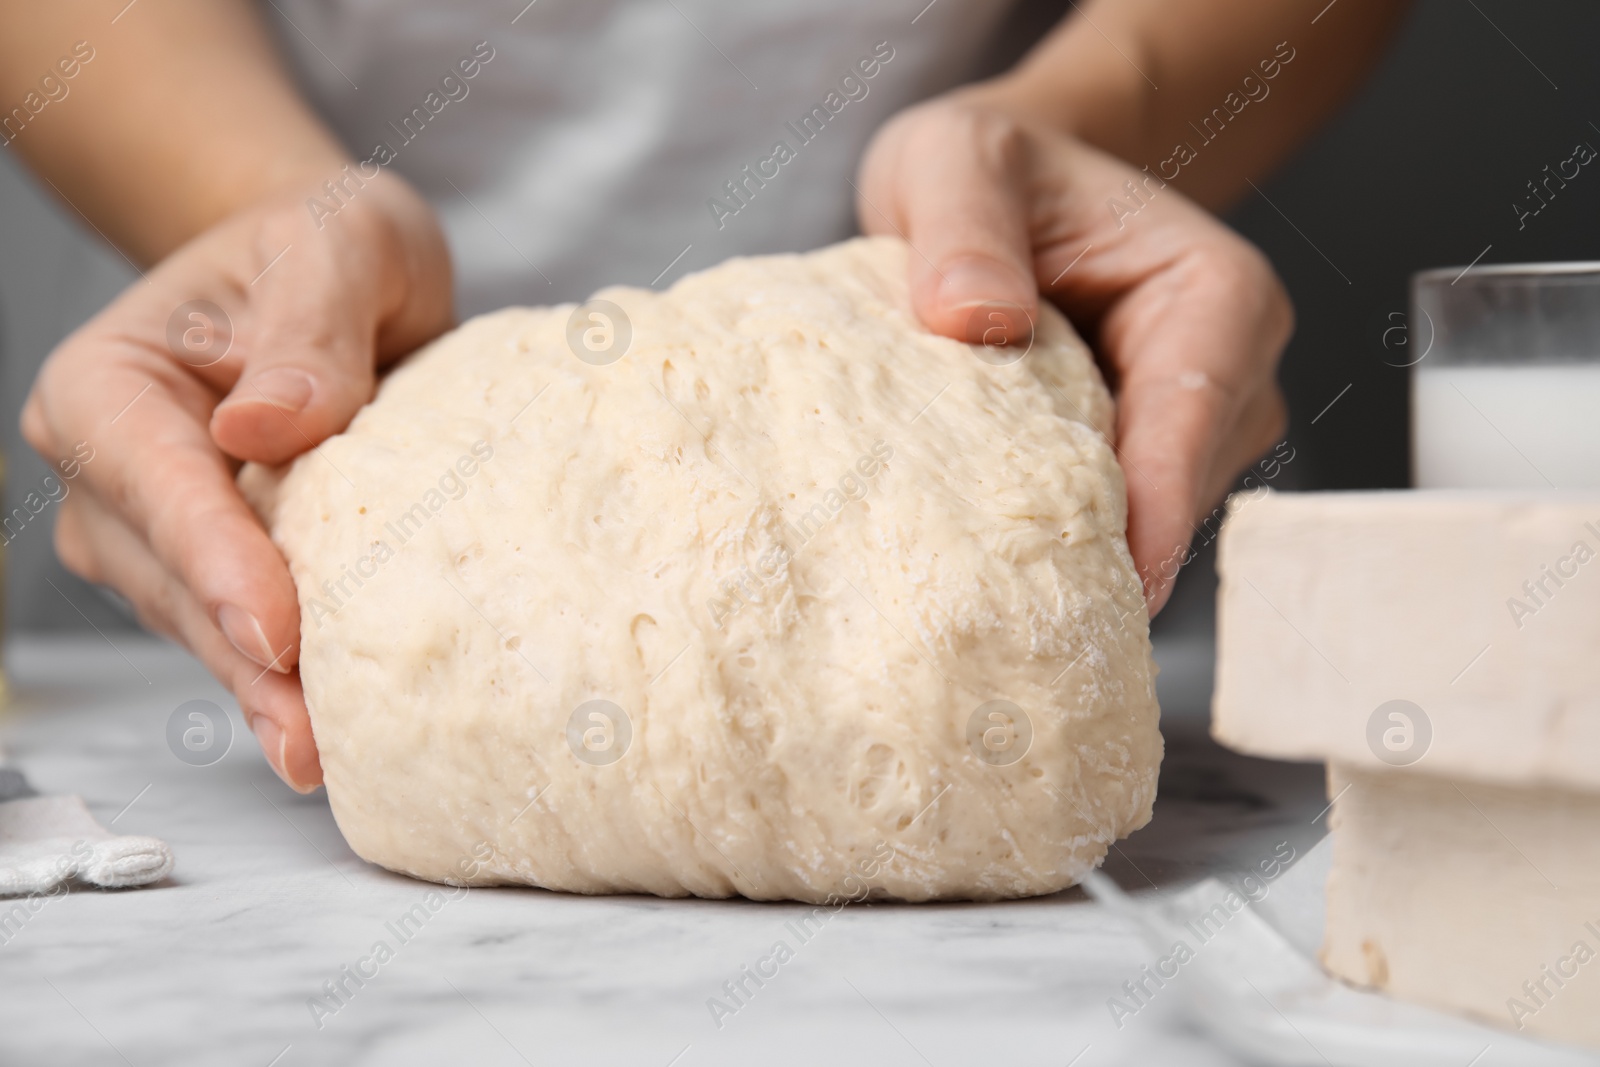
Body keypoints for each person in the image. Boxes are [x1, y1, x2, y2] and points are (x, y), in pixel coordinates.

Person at [5, 0, 1409, 792]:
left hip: (944, 425)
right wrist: (259, 203)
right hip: (298, 434)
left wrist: (1081, 123)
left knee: (1003, 758)